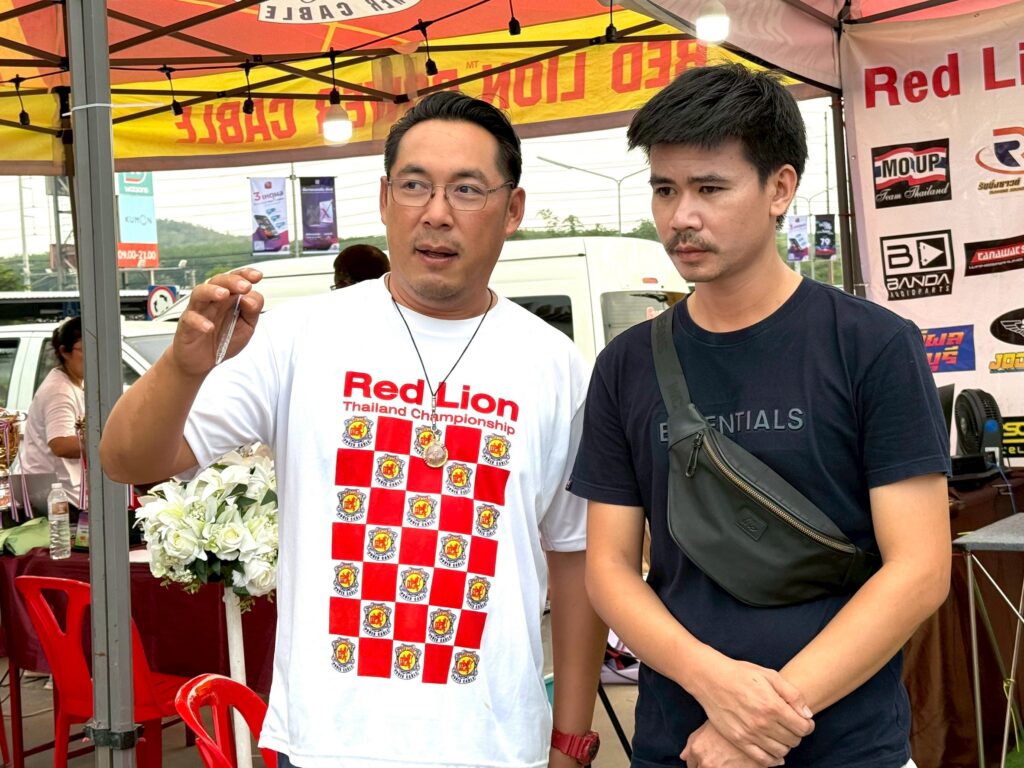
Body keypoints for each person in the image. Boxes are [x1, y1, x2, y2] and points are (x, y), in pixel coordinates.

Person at [101, 91, 607, 768]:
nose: (436, 212)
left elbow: (575, 557)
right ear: (385, 198)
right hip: (326, 746)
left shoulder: (555, 364)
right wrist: (182, 367)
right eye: (415, 185)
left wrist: (570, 739)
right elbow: (127, 460)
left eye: (466, 189)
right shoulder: (297, 337)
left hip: (495, 745)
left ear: (512, 209)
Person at [570, 64, 951, 768]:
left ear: (780, 188)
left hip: (845, 745)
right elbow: (609, 566)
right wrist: (714, 685)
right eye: (664, 188)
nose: (681, 216)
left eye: (710, 188)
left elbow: (920, 568)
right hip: (679, 740)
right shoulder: (625, 364)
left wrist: (758, 721)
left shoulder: (871, 344)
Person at [19, 316, 85, 507]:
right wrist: (107, 443)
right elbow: (60, 444)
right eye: (84, 349)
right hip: (56, 496)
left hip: (64, 490)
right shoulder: (59, 391)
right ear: (64, 352)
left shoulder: (74, 383)